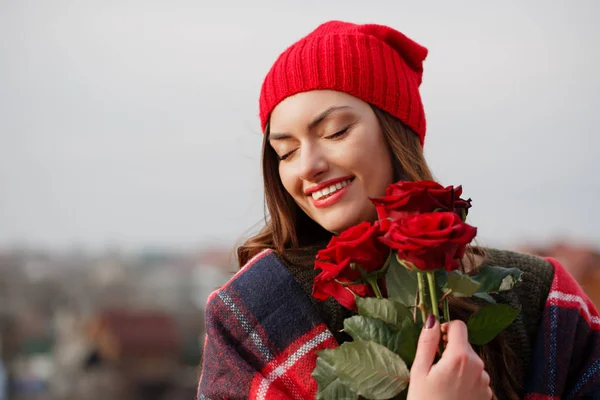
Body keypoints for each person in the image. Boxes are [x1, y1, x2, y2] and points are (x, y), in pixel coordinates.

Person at [197, 21, 600, 399]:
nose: (308, 166)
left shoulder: (540, 295)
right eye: (286, 151)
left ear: (395, 133)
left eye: (335, 131)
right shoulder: (253, 312)